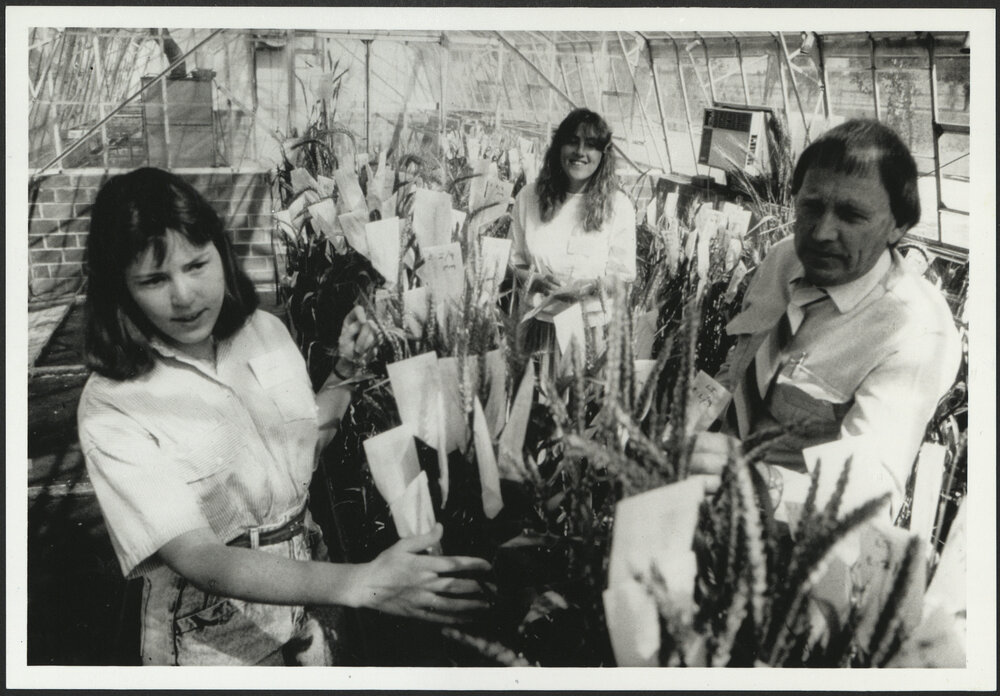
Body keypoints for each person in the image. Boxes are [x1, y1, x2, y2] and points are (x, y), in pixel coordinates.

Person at [77, 167, 491, 666]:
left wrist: (346, 370)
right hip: (214, 632)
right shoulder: (115, 404)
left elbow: (303, 448)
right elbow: (199, 557)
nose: (184, 296)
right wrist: (360, 581)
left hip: (312, 590)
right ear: (120, 290)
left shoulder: (263, 332)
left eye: (197, 265)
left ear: (222, 255)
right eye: (154, 280)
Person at [692, 119, 961, 516]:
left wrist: (757, 483)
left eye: (851, 216)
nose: (821, 233)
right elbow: (739, 368)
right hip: (700, 497)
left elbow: (868, 499)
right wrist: (682, 425)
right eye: (812, 206)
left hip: (791, 544)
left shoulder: (914, 332)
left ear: (898, 226)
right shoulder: (785, 258)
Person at [507, 108, 637, 354]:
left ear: (603, 154)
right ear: (558, 147)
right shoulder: (529, 197)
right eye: (572, 142)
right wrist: (536, 281)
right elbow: (514, 263)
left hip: (588, 329)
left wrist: (586, 289)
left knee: (581, 392)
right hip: (536, 324)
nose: (580, 152)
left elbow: (622, 277)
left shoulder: (619, 206)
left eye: (590, 145)